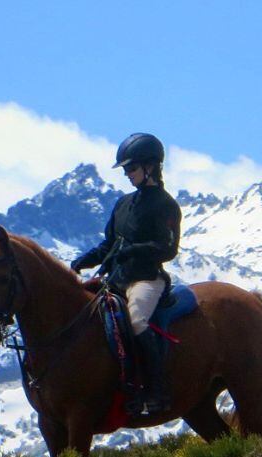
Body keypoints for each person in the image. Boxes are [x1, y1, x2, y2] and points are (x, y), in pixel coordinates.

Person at [72, 132, 182, 415]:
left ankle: (155, 388)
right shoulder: (122, 204)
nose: (127, 174)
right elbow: (109, 245)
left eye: (131, 168)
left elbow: (168, 248)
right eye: (125, 170)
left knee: (136, 322)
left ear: (151, 167)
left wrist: (134, 251)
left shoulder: (166, 205)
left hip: (146, 279)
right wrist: (83, 261)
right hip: (116, 280)